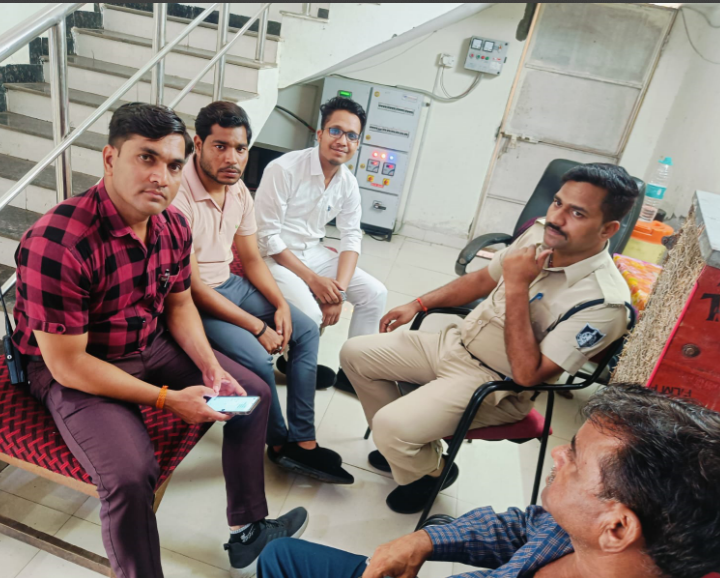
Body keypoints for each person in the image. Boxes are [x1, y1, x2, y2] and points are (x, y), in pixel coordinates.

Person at [11, 103, 307, 578]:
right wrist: (167, 400)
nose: (161, 177)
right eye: (145, 158)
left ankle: (248, 527)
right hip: (79, 368)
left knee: (250, 396)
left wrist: (210, 367)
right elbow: (68, 365)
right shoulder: (59, 242)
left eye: (172, 165)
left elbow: (180, 305)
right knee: (131, 476)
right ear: (110, 159)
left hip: (149, 345)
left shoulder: (172, 225)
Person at [340, 163, 639, 513]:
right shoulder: (539, 233)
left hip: (495, 384)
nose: (557, 218)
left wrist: (517, 286)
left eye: (577, 213)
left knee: (391, 426)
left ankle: (432, 470)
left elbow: (528, 375)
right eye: (558, 202)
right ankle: (406, 450)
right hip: (455, 342)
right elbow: (482, 279)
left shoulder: (605, 303)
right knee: (354, 354)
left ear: (608, 229)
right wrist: (418, 303)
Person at [256, 384, 720, 578]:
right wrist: (424, 541)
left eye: (576, 459)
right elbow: (524, 526)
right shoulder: (578, 531)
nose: (558, 453)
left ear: (617, 527)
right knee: (282, 554)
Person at [173, 101, 353, 485]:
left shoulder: (237, 189)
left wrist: (279, 305)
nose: (232, 158)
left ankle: (303, 438)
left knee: (305, 329)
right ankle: (278, 441)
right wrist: (257, 326)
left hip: (231, 284)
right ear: (198, 144)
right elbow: (192, 287)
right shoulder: (179, 197)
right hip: (196, 302)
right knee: (257, 355)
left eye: (240, 148)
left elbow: (252, 258)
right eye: (220, 146)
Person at [254, 96, 387, 394]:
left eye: (351, 135)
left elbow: (351, 236)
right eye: (335, 131)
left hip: (312, 252)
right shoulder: (284, 169)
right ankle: (294, 366)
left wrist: (339, 292)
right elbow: (267, 237)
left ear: (358, 143)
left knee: (375, 293)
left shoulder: (347, 182)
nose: (342, 141)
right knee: (313, 314)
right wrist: (314, 281)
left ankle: (354, 374)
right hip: (273, 257)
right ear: (320, 133)